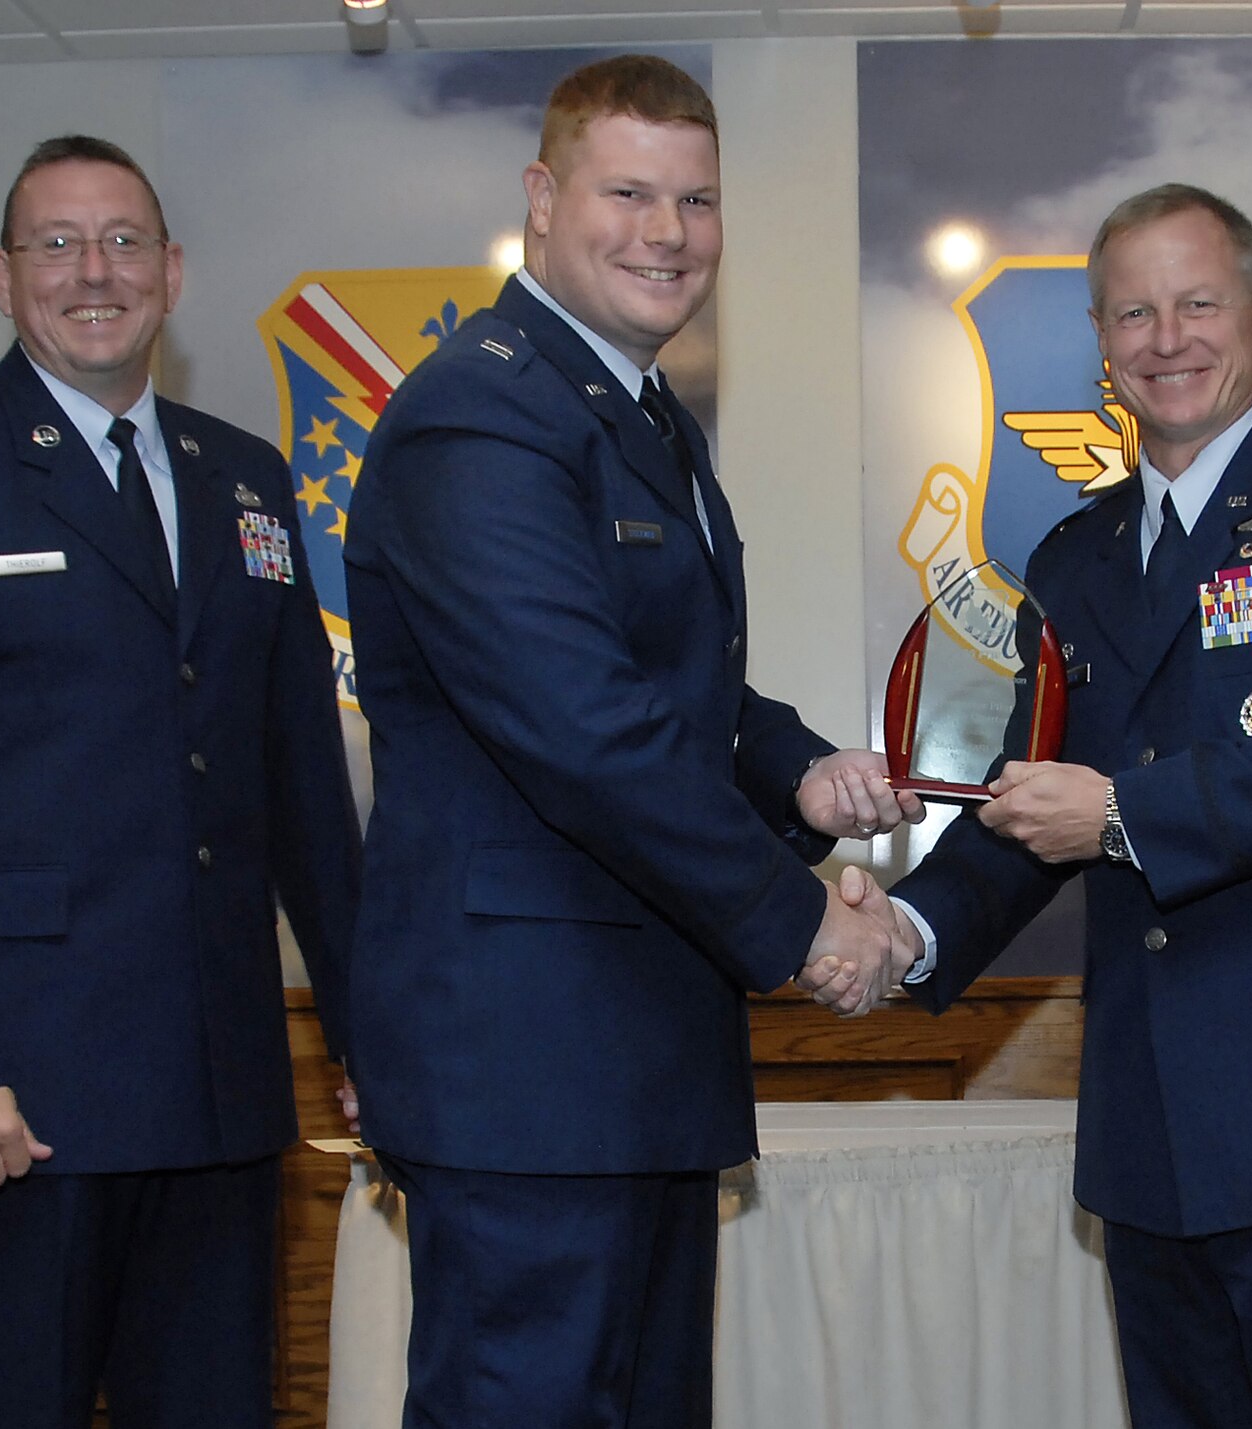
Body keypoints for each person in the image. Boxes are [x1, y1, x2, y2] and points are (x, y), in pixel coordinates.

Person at [343, 54, 921, 1429]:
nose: (667, 234)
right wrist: (803, 923)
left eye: (698, 201)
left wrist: (793, 766)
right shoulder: (479, 414)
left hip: (630, 1056)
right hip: (526, 1069)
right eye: (628, 193)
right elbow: (584, 730)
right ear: (543, 200)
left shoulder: (637, 414)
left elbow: (675, 697)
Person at [863, 183, 1252, 1428]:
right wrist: (902, 931)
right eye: (1133, 313)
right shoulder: (1069, 559)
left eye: (1197, 302)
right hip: (1151, 1118)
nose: (1167, 338)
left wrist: (1123, 813)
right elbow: (1029, 806)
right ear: (1100, 342)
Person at [0, 135, 359, 1428]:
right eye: (56, 244)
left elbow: (301, 790)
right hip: (13, 1101)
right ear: (3, 277)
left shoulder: (245, 479)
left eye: (122, 241)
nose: (92, 272)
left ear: (172, 269)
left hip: (217, 1092)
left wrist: (362, 1032)